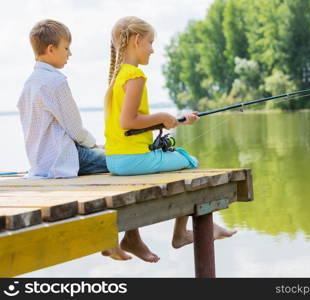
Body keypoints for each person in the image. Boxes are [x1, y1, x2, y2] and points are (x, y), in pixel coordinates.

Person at [104, 16, 237, 261]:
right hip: (133, 161)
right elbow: (129, 122)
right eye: (150, 42)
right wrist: (163, 115)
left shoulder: (118, 76)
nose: (153, 49)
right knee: (189, 160)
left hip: (115, 160)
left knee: (177, 157)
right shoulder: (135, 77)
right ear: (136, 40)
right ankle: (181, 234)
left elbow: (131, 125)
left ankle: (133, 237)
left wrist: (177, 119)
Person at [18, 19, 132, 261]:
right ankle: (114, 239)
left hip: (39, 163)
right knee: (126, 161)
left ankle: (114, 239)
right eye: (66, 48)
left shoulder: (29, 83)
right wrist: (93, 145)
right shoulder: (56, 82)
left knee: (112, 160)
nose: (70, 54)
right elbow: (74, 128)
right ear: (51, 50)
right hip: (65, 158)